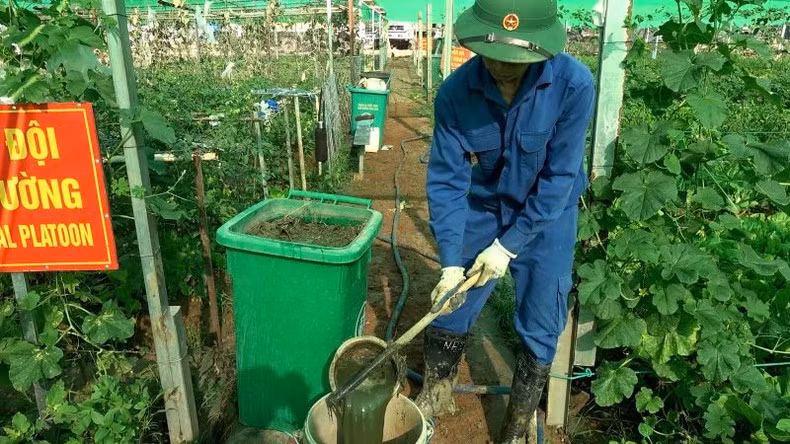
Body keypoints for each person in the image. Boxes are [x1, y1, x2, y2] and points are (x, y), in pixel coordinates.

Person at [416, 0, 595, 442]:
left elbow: (559, 177)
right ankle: (436, 392)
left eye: (515, 59)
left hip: (548, 213)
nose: (500, 67)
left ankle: (517, 426)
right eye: (492, 54)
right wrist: (451, 264)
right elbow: (447, 182)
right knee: (452, 300)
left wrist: (508, 247)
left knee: (541, 316)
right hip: (487, 203)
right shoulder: (456, 93)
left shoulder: (574, 85)